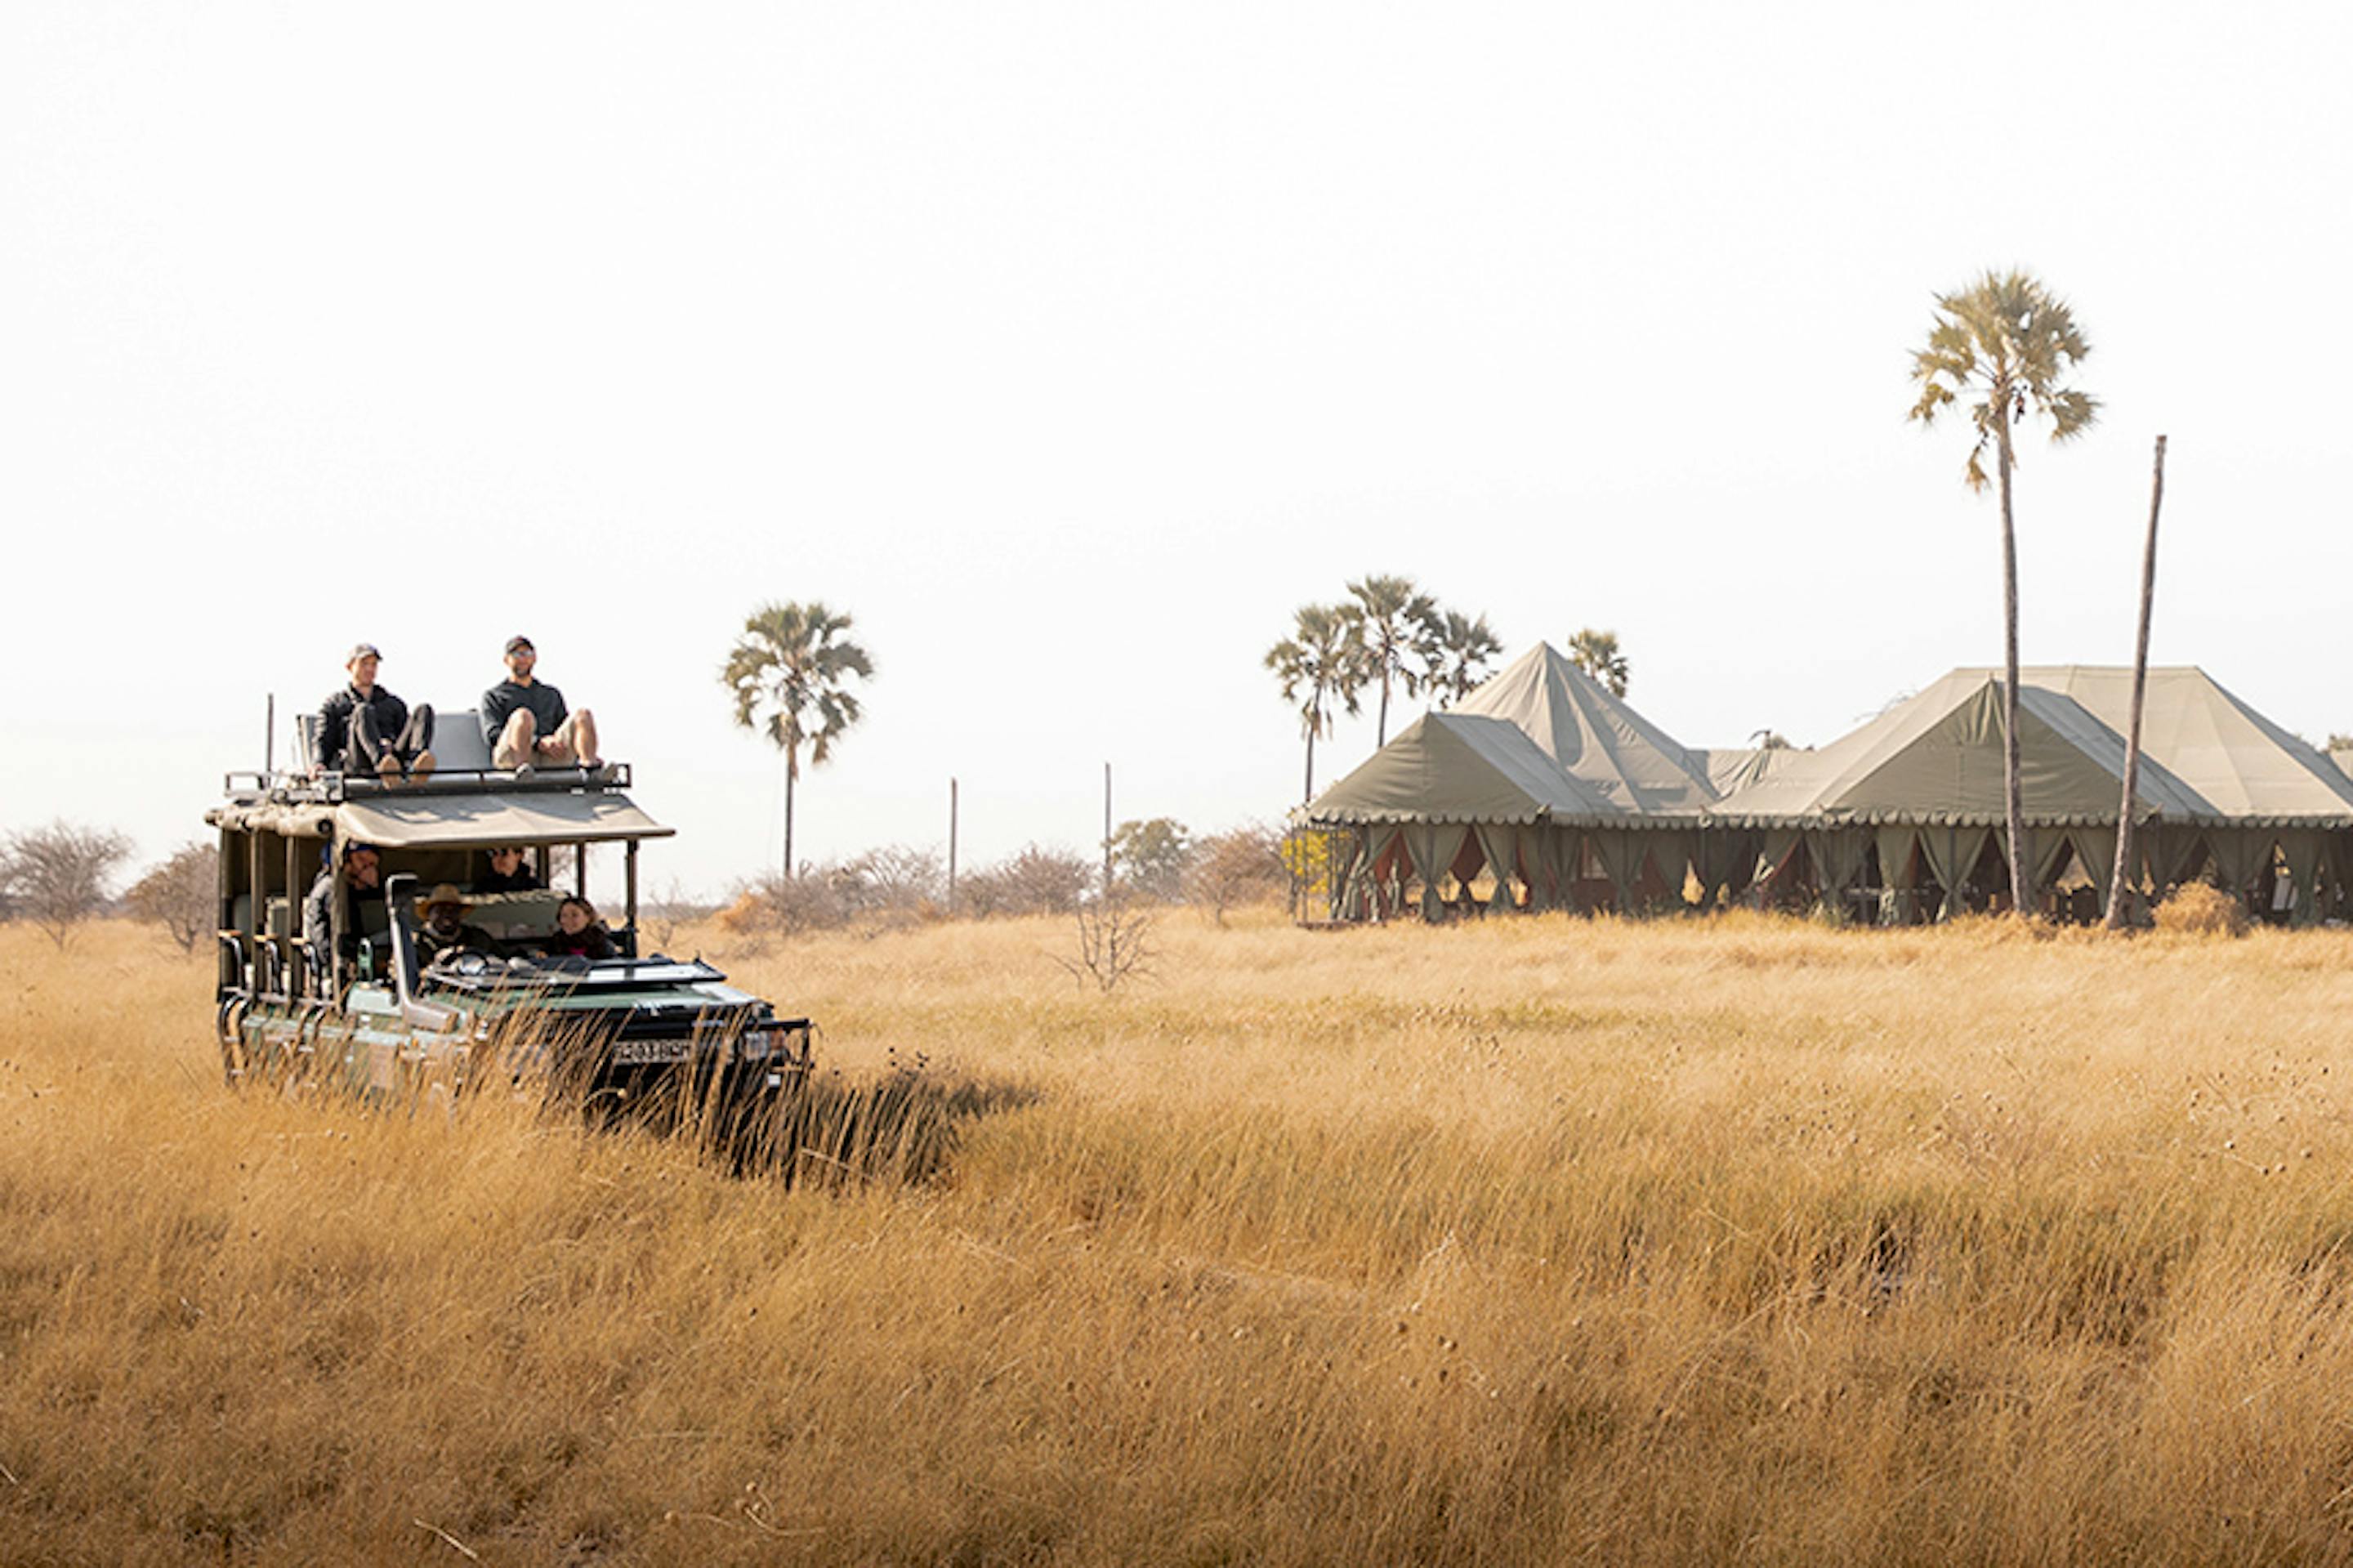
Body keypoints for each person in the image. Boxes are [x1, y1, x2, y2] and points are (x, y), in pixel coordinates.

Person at [315, 643, 435, 782]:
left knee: (423, 709)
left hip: (393, 760)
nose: (369, 669)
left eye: (373, 665)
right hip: (358, 761)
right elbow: (323, 738)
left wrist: (390, 744)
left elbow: (404, 733)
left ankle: (418, 766)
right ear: (350, 667)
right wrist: (319, 762)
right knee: (363, 710)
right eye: (364, 664)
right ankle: (382, 763)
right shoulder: (336, 704)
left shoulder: (392, 703)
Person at [480, 635, 600, 774]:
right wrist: (537, 742)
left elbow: (563, 726)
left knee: (583, 715)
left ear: (535, 658)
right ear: (506, 660)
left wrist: (553, 743)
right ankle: (522, 773)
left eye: (528, 653)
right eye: (517, 654)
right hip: (511, 757)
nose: (523, 659)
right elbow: (493, 735)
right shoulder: (494, 696)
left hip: (549, 757)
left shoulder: (550, 694)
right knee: (523, 716)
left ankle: (590, 768)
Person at [302, 842, 385, 975]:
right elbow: (341, 937)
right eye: (362, 861)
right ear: (345, 862)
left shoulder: (348, 888)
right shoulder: (332, 889)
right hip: (338, 963)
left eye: (372, 863)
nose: (369, 868)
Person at [415, 885, 499, 966]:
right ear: (430, 913)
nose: (447, 915)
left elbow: (502, 958)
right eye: (441, 910)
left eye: (453, 910)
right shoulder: (417, 942)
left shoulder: (477, 937)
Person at [544, 896, 614, 960]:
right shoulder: (553, 944)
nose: (568, 920)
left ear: (588, 918)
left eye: (574, 915)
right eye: (564, 915)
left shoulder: (603, 945)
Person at [474, 845, 542, 893]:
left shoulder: (532, 887)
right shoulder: (482, 887)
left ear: (519, 855)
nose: (498, 858)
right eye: (493, 854)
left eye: (504, 853)